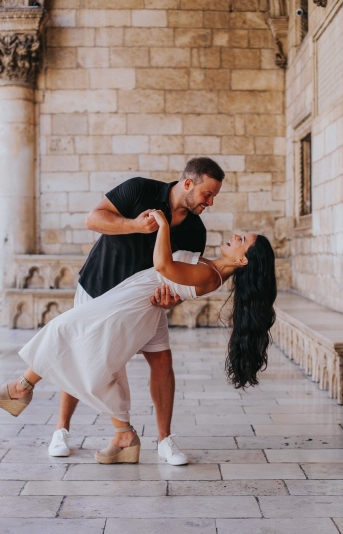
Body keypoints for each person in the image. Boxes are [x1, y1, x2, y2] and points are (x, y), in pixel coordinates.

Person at [0, 212, 277, 465]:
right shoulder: (212, 269)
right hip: (132, 298)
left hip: (131, 305)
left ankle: (20, 389)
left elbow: (163, 266)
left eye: (242, 240)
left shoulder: (211, 276)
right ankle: (124, 436)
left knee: (65, 331)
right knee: (98, 361)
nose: (235, 235)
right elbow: (174, 282)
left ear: (242, 260)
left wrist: (163, 226)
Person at [50, 156, 225, 465]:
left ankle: (165, 441)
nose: (209, 202)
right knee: (77, 356)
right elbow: (93, 219)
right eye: (207, 194)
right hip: (98, 288)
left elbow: (181, 279)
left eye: (213, 196)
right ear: (188, 183)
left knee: (162, 362)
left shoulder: (196, 231)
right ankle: (61, 430)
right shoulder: (138, 189)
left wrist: (174, 301)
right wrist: (134, 225)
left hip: (145, 305)